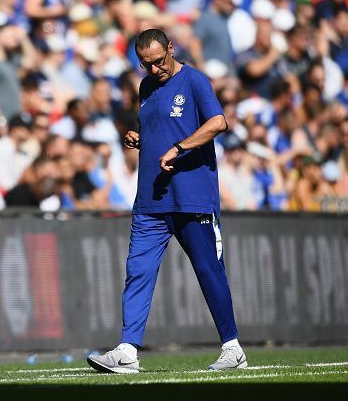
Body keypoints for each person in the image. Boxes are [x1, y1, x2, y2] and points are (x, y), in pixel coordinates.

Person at [87, 28, 247, 374]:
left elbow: (218, 122)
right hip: (151, 199)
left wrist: (180, 147)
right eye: (146, 64)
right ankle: (128, 350)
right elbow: (160, 129)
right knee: (138, 271)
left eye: (158, 61)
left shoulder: (195, 81)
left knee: (208, 270)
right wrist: (138, 137)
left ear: (171, 49)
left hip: (192, 197)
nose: (154, 69)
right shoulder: (146, 87)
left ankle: (232, 347)